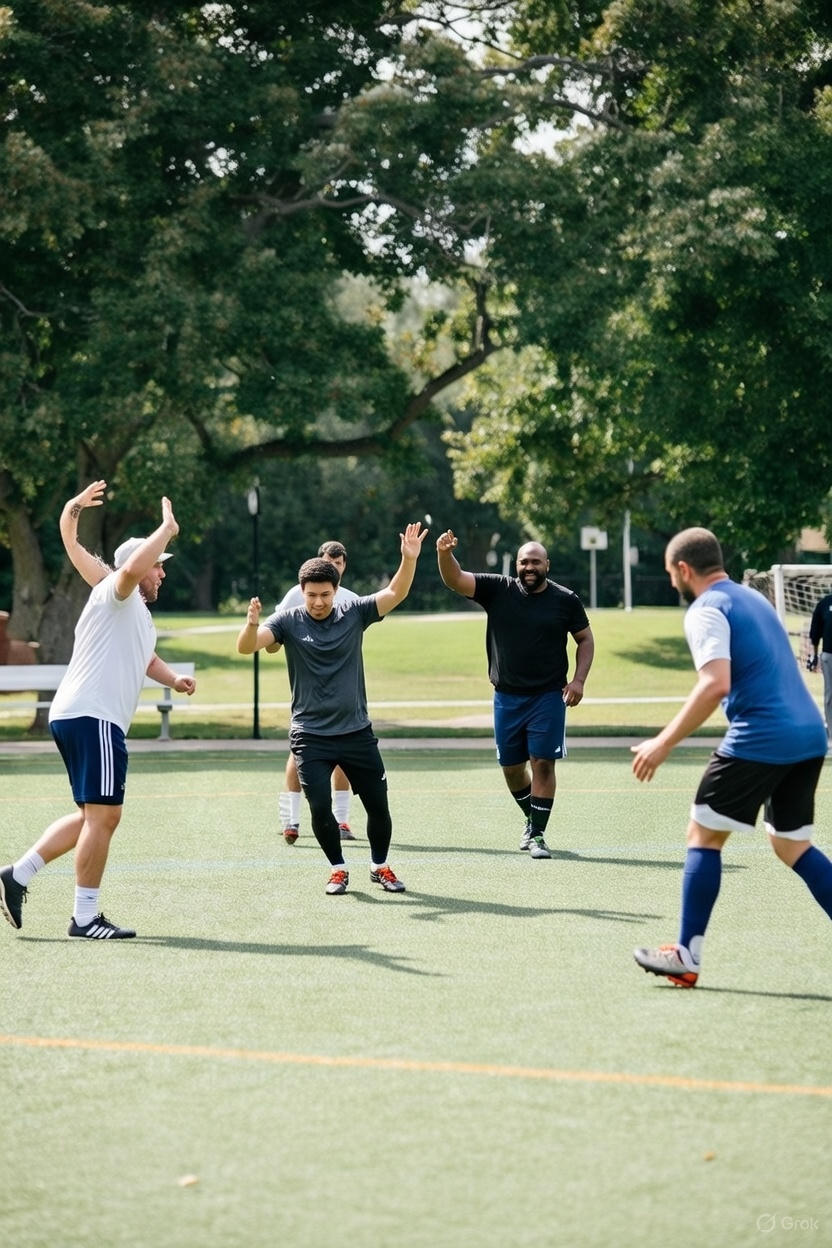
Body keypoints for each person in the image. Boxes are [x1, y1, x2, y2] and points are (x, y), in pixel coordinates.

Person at [631, 527, 831, 988]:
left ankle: (686, 955)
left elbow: (715, 682)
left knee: (703, 834)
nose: (671, 584)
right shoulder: (752, 598)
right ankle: (686, 953)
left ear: (684, 570)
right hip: (808, 736)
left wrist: (663, 743)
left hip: (763, 736)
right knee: (791, 844)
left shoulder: (706, 609)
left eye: (670, 574)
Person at [0, 481, 196, 940]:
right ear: (141, 564)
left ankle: (17, 875)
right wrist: (165, 530)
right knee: (105, 816)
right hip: (94, 717)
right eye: (159, 567)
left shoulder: (136, 614)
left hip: (77, 715)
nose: (162, 574)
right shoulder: (118, 591)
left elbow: (146, 659)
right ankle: (85, 917)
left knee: (92, 815)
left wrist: (175, 680)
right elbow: (128, 569)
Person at [237, 521, 428, 895]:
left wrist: (409, 560)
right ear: (302, 592)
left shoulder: (355, 612)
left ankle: (379, 865)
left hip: (356, 731)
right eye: (311, 595)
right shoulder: (289, 621)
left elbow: (395, 592)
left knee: (378, 807)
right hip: (311, 736)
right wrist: (251, 624)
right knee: (320, 808)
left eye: (325, 594)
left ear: (336, 590)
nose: (318, 602)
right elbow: (247, 646)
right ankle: (338, 869)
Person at [436, 531, 594, 858]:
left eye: (536, 561)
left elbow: (586, 640)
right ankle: (531, 817)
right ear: (516, 564)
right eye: (524, 561)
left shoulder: (566, 600)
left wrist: (578, 681)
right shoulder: (498, 589)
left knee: (543, 764)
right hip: (507, 697)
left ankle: (537, 835)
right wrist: (444, 554)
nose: (529, 567)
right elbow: (455, 580)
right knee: (511, 768)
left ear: (547, 565)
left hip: (548, 696)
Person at [274, 540, 358, 844]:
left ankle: (342, 820)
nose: (332, 567)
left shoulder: (350, 599)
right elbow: (275, 636)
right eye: (327, 562)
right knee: (299, 753)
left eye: (337, 564)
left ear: (344, 566)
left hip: (341, 690)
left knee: (342, 757)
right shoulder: (297, 595)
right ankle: (291, 820)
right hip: (308, 689)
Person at [809, 589, 832, 747]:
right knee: (830, 695)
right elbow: (815, 634)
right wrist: (813, 656)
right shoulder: (825, 603)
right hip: (829, 656)